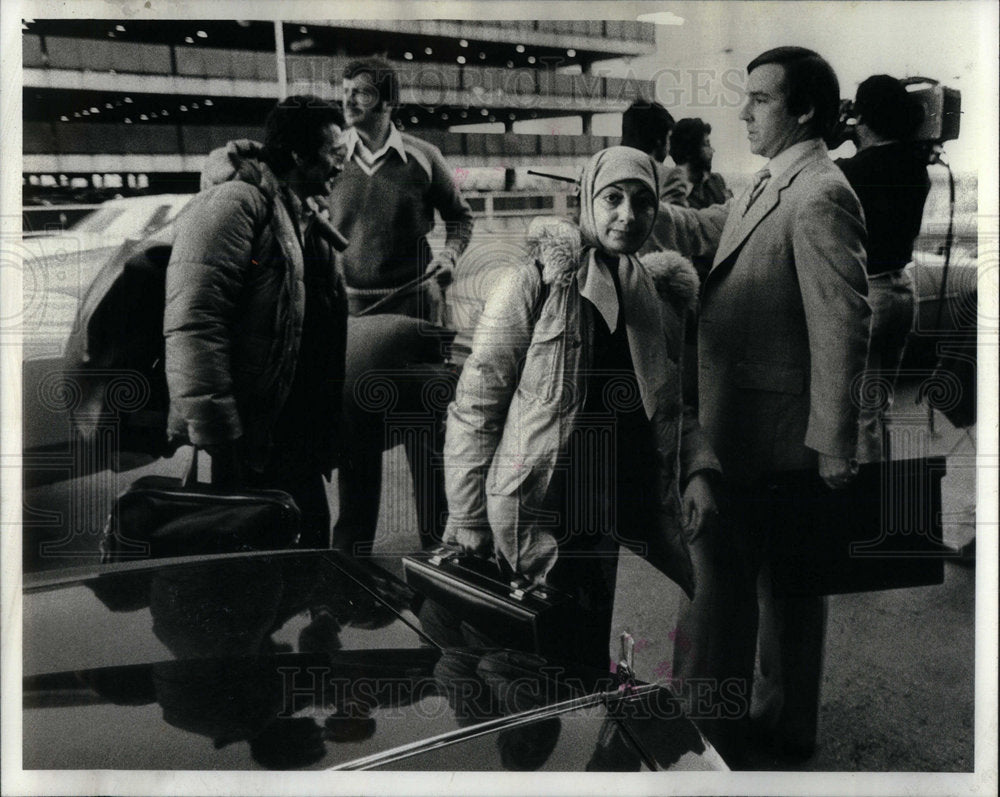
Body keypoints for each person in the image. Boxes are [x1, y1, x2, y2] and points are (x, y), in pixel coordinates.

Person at [657, 47, 871, 762]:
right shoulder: (774, 180)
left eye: (759, 99)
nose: (744, 111)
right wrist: (640, 209)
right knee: (787, 591)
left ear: (804, 109)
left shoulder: (820, 192)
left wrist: (835, 440)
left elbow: (844, 319)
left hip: (767, 436)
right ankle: (783, 730)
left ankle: (703, 735)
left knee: (727, 587)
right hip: (746, 427)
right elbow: (712, 229)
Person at [443, 146, 721, 671]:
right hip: (546, 503)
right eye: (612, 198)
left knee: (615, 658)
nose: (628, 216)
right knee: (538, 663)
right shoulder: (535, 281)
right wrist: (468, 516)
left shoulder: (658, 295)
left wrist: (699, 470)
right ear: (586, 200)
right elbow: (478, 403)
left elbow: (671, 406)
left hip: (624, 505)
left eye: (643, 202)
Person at [164, 95, 349, 549]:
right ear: (297, 155)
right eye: (332, 153)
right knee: (260, 570)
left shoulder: (304, 216)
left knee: (308, 548)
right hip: (250, 436)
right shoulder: (234, 205)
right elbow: (194, 323)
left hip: (296, 430)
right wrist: (218, 434)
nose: (340, 166)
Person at [328, 57, 474, 555]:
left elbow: (460, 217)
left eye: (362, 92)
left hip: (417, 312)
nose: (347, 99)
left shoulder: (424, 157)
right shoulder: (331, 157)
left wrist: (451, 257)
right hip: (352, 316)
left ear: (388, 102)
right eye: (345, 89)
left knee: (424, 433)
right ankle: (352, 551)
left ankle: (439, 547)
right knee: (355, 436)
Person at [836, 75, 931, 462]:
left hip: (868, 294)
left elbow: (823, 176)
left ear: (864, 117)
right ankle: (880, 486)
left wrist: (837, 133)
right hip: (901, 291)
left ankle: (862, 500)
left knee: (853, 412)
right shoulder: (914, 164)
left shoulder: (855, 171)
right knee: (878, 405)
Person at [620, 98, 689, 206]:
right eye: (668, 138)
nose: (669, 147)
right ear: (659, 141)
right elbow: (677, 220)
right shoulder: (670, 177)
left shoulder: (602, 171)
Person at [669, 118, 732, 210]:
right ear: (690, 150)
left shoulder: (717, 181)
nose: (712, 151)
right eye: (707, 144)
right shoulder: (672, 191)